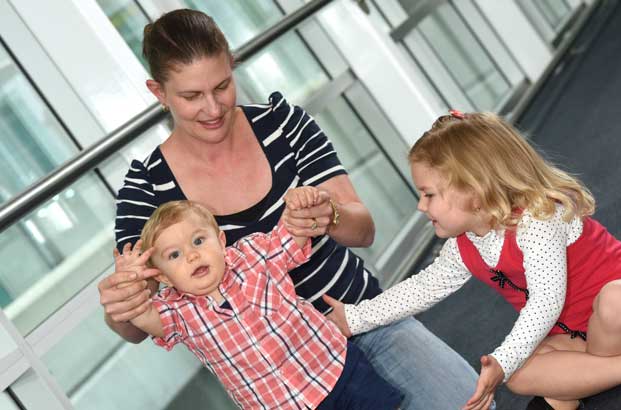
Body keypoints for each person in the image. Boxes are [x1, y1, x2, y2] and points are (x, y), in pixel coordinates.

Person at [97, 8, 480, 410]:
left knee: (473, 403)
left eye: (223, 85)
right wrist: (121, 306)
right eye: (192, 96)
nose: (213, 108)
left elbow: (363, 230)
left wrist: (327, 214)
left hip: (361, 317)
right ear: (159, 93)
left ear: (234, 67)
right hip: (281, 381)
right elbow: (135, 323)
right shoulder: (146, 189)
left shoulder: (285, 125)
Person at [324, 110, 621, 410]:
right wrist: (355, 317)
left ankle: (580, 385)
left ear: (475, 192)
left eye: (429, 194)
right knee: (520, 375)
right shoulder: (464, 245)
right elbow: (422, 288)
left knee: (619, 301)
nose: (421, 206)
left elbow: (545, 303)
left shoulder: (539, 218)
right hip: (579, 335)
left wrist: (504, 358)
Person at [116, 195, 403, 409]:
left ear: (220, 239)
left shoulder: (253, 254)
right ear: (163, 276)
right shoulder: (175, 311)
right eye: (174, 255)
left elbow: (292, 233)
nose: (192, 255)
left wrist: (299, 206)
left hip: (337, 371)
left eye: (199, 241)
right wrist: (130, 281)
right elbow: (142, 315)